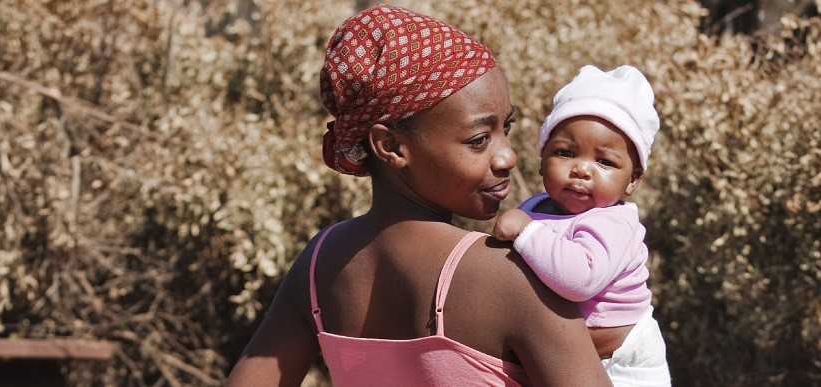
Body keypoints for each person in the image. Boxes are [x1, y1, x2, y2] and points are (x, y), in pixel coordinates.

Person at [225, 6, 611, 387]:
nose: (507, 156)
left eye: (505, 128)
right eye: (478, 140)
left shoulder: (319, 266)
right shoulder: (508, 276)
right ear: (390, 145)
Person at [493, 65, 672, 386]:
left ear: (632, 180)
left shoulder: (612, 221)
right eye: (565, 152)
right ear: (541, 158)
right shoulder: (534, 208)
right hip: (573, 355)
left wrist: (526, 232)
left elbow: (579, 278)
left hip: (624, 364)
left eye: (604, 162)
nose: (581, 169)